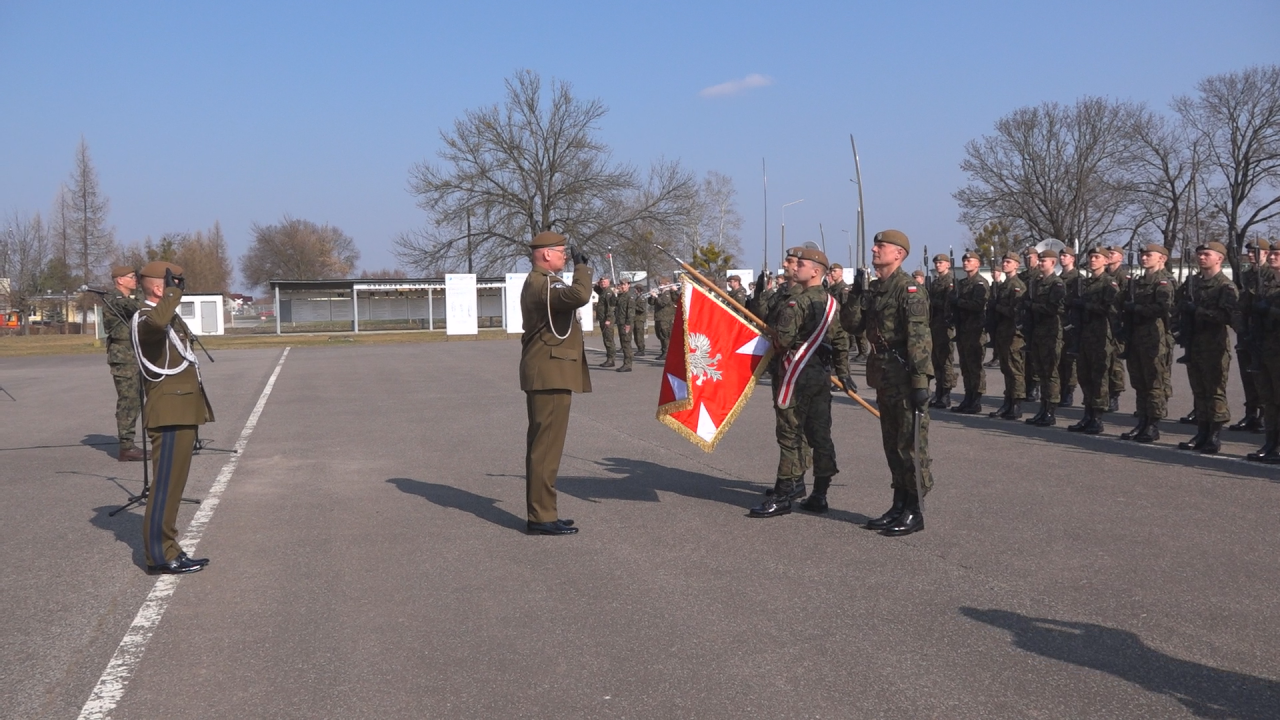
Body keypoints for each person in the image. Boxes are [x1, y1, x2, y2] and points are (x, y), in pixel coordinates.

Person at [844, 230, 933, 536]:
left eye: (881, 246)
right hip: (884, 374)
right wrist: (856, 294)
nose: (874, 249)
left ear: (898, 254)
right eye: (875, 245)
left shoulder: (908, 290)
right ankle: (899, 504)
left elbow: (919, 338)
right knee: (892, 444)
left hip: (905, 374)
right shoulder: (875, 290)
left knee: (911, 445)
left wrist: (920, 382)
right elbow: (852, 325)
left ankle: (915, 509)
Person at [751, 247, 850, 518]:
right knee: (820, 434)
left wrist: (773, 337)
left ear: (816, 271)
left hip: (796, 375)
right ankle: (820, 494)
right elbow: (841, 339)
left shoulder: (797, 303)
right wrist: (843, 372)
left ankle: (784, 494)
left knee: (790, 434)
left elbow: (782, 341)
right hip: (820, 375)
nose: (796, 268)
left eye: (801, 265)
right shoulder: (831, 302)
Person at [134, 261, 213, 574]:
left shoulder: (165, 316)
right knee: (164, 488)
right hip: (168, 413)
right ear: (159, 287)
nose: (177, 288)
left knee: (173, 487)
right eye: (172, 283)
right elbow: (156, 325)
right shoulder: (145, 317)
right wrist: (170, 296)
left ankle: (170, 547)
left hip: (179, 411)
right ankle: (159, 555)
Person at [519, 231, 593, 535]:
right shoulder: (543, 283)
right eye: (561, 251)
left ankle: (545, 511)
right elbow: (580, 296)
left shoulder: (544, 281)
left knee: (546, 447)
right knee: (545, 448)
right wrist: (582, 268)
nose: (565, 256)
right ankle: (541, 517)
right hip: (548, 373)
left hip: (550, 371)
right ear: (546, 254)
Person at [1176, 242, 1239, 454]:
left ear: (1219, 258)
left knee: (1215, 390)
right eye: (1199, 254)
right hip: (1194, 344)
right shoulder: (1192, 282)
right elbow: (1178, 304)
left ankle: (1214, 434)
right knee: (1199, 390)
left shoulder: (1225, 286)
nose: (1201, 258)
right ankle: (1201, 431)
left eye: (1206, 254)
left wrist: (1199, 311)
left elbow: (1228, 317)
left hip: (1214, 345)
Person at [1119, 244, 1176, 443]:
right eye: (1142, 255)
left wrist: (1136, 308)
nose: (1144, 258)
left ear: (1162, 258)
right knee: (1139, 382)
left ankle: (1153, 423)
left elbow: (1163, 308)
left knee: (1154, 382)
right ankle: (1142, 420)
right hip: (1136, 337)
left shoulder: (1164, 282)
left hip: (1155, 338)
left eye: (1148, 255)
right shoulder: (1137, 282)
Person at [1068, 247, 1120, 435]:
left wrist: (1086, 305)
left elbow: (1111, 309)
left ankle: (1097, 417)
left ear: (1106, 261)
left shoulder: (1109, 284)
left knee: (1099, 377)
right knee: (1084, 376)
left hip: (1101, 336)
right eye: (1090, 257)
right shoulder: (1084, 283)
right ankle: (1087, 414)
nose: (1092, 260)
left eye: (1097, 257)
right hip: (1083, 335)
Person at [103, 265, 145, 461]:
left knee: (136, 400)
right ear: (120, 280)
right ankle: (126, 447)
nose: (135, 280)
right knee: (128, 401)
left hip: (134, 354)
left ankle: (130, 443)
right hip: (123, 356)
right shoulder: (115, 299)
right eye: (131, 277)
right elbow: (138, 309)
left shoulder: (128, 299)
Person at [1229, 239, 1270, 433]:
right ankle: (1251, 413)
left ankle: (1265, 415)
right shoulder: (1245, 275)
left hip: (1263, 333)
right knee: (1247, 375)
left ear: (1266, 253)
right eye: (1249, 252)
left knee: (1263, 376)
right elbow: (1238, 305)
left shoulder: (1270, 274)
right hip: (1246, 332)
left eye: (1255, 251)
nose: (1251, 255)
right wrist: (1240, 328)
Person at [1247, 244, 1280, 463]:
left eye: (1277, 254)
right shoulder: (1266, 285)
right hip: (1266, 347)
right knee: (1268, 398)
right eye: (1273, 253)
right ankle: (1271, 442)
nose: (1272, 257)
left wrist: (1269, 310)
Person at [1025, 250, 1066, 426]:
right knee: (1040, 372)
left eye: (1044, 261)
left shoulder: (1057, 284)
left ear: (1053, 263)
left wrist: (1033, 306)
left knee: (1050, 373)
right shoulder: (1036, 283)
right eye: (1040, 260)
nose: (1041, 263)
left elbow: (1054, 308)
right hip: (1037, 332)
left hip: (1051, 333)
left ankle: (1050, 410)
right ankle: (1042, 408)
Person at [988, 253, 1027, 420]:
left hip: (1013, 334)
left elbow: (1015, 311)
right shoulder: (1004, 285)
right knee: (1006, 368)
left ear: (1016, 265)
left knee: (1015, 369)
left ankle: (1016, 404)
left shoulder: (1017, 286)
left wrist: (997, 307)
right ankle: (1008, 401)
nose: (1005, 264)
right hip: (1002, 332)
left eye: (1008, 262)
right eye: (1004, 262)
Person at [951, 251, 989, 414]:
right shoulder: (962, 283)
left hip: (975, 330)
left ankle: (976, 400)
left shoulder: (980, 283)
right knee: (965, 366)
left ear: (977, 264)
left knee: (975, 366)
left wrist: (959, 302)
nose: (966, 263)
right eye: (964, 260)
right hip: (963, 329)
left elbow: (978, 305)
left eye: (970, 260)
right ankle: (968, 396)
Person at [927, 253, 957, 408]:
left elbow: (948, 303)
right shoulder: (936, 282)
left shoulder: (950, 281)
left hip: (944, 325)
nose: (938, 265)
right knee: (936, 361)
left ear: (948, 264)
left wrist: (931, 301)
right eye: (936, 263)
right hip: (934, 325)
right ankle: (938, 391)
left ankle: (946, 393)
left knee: (946, 361)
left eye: (941, 263)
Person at [1105, 246, 1130, 412]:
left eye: (1112, 253)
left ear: (1120, 257)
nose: (1109, 255)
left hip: (1116, 323)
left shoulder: (1123, 276)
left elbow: (1125, 299)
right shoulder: (1104, 275)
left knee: (1115, 362)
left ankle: (1115, 394)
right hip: (1103, 324)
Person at [1057, 247, 1081, 407]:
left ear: (1072, 258)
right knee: (1059, 358)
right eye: (1061, 256)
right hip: (1058, 322)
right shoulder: (1059, 278)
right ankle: (1061, 389)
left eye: (1065, 256)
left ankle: (1069, 391)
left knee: (1069, 360)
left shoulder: (1078, 278)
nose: (1062, 258)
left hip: (1071, 323)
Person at [651, 281, 677, 360]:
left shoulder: (667, 294)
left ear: (666, 285)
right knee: (660, 335)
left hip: (665, 319)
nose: (660, 286)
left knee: (665, 336)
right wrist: (652, 296)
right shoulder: (660, 294)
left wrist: (656, 297)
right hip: (659, 318)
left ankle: (666, 353)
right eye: (659, 284)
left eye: (661, 284)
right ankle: (663, 351)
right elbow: (651, 303)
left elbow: (662, 303)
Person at [594, 277, 617, 368]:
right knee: (606, 339)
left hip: (607, 320)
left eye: (604, 282)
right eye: (601, 282)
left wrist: (608, 319)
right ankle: (609, 358)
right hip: (602, 319)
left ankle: (611, 359)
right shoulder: (603, 292)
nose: (602, 283)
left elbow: (610, 308)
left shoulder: (608, 293)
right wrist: (597, 284)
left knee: (608, 340)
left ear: (608, 283)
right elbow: (597, 290)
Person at [614, 278, 635, 372]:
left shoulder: (629, 297)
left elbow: (630, 312)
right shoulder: (621, 296)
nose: (622, 286)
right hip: (620, 322)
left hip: (626, 323)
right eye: (621, 284)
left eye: (624, 284)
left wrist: (628, 324)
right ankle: (626, 363)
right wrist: (615, 294)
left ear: (628, 285)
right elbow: (614, 304)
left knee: (626, 343)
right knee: (623, 343)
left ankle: (628, 364)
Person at [632, 283, 648, 356]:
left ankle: (641, 350)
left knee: (639, 335)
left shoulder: (642, 298)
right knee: (636, 335)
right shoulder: (638, 297)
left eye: (635, 289)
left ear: (638, 289)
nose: (634, 291)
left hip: (639, 319)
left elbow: (642, 309)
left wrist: (633, 306)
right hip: (636, 318)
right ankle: (639, 349)